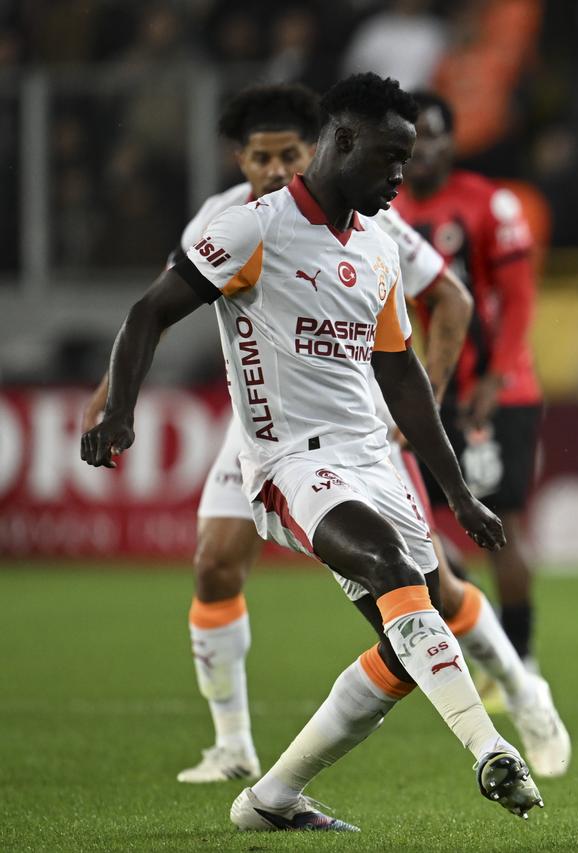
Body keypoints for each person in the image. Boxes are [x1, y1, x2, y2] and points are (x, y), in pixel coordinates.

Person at [82, 73, 545, 830]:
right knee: (395, 578)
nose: (403, 176)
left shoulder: (378, 248)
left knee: (408, 641)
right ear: (344, 141)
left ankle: (269, 798)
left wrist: (456, 490)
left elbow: (400, 372)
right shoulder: (251, 228)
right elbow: (150, 311)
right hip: (291, 463)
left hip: (372, 457)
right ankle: (491, 747)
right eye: (392, 157)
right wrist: (122, 409)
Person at [392, 92, 544, 672]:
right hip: (421, 394)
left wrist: (496, 378)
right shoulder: (385, 210)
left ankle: (521, 661)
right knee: (418, 531)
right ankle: (470, 646)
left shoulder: (489, 204)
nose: (422, 149)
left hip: (495, 394)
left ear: (452, 142)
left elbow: (520, 297)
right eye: (412, 137)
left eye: (433, 135)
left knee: (500, 526)